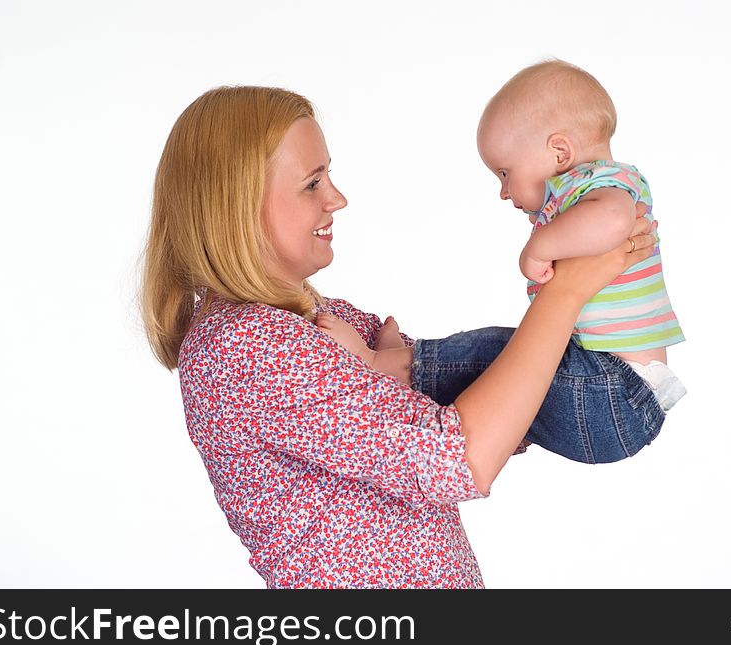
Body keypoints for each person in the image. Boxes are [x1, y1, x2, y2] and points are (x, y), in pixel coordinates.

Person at [140, 85, 657, 588]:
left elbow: (484, 403)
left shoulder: (313, 316)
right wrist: (564, 292)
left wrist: (458, 397)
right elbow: (461, 456)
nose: (337, 199)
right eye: (312, 183)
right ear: (236, 205)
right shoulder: (244, 346)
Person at [477, 59, 686, 411]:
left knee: (489, 354)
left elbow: (614, 219)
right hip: (612, 374)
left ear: (560, 152)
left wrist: (539, 247)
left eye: (504, 173)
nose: (502, 191)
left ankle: (406, 365)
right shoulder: (584, 192)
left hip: (613, 378)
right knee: (509, 364)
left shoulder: (600, 182)